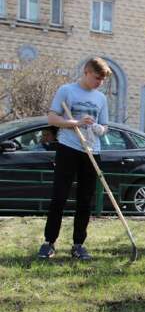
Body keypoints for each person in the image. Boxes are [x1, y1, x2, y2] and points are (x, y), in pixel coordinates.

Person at [37, 57, 111, 261]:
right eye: (97, 78)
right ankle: (49, 242)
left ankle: (78, 245)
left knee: (85, 200)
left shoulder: (101, 99)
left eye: (102, 80)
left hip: (91, 151)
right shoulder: (66, 91)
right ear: (86, 72)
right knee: (59, 196)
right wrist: (76, 122)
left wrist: (99, 129)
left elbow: (105, 126)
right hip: (68, 148)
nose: (99, 83)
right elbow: (52, 118)